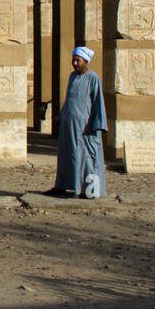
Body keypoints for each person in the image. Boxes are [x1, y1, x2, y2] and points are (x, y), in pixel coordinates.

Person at [45, 46, 107, 198]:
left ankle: (89, 190)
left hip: (85, 127)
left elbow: (98, 101)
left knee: (86, 158)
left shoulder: (93, 78)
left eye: (78, 60)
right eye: (73, 60)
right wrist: (61, 117)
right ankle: (62, 186)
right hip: (69, 125)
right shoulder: (72, 76)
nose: (75, 63)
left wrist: (98, 123)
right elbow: (69, 100)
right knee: (67, 156)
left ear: (85, 61)